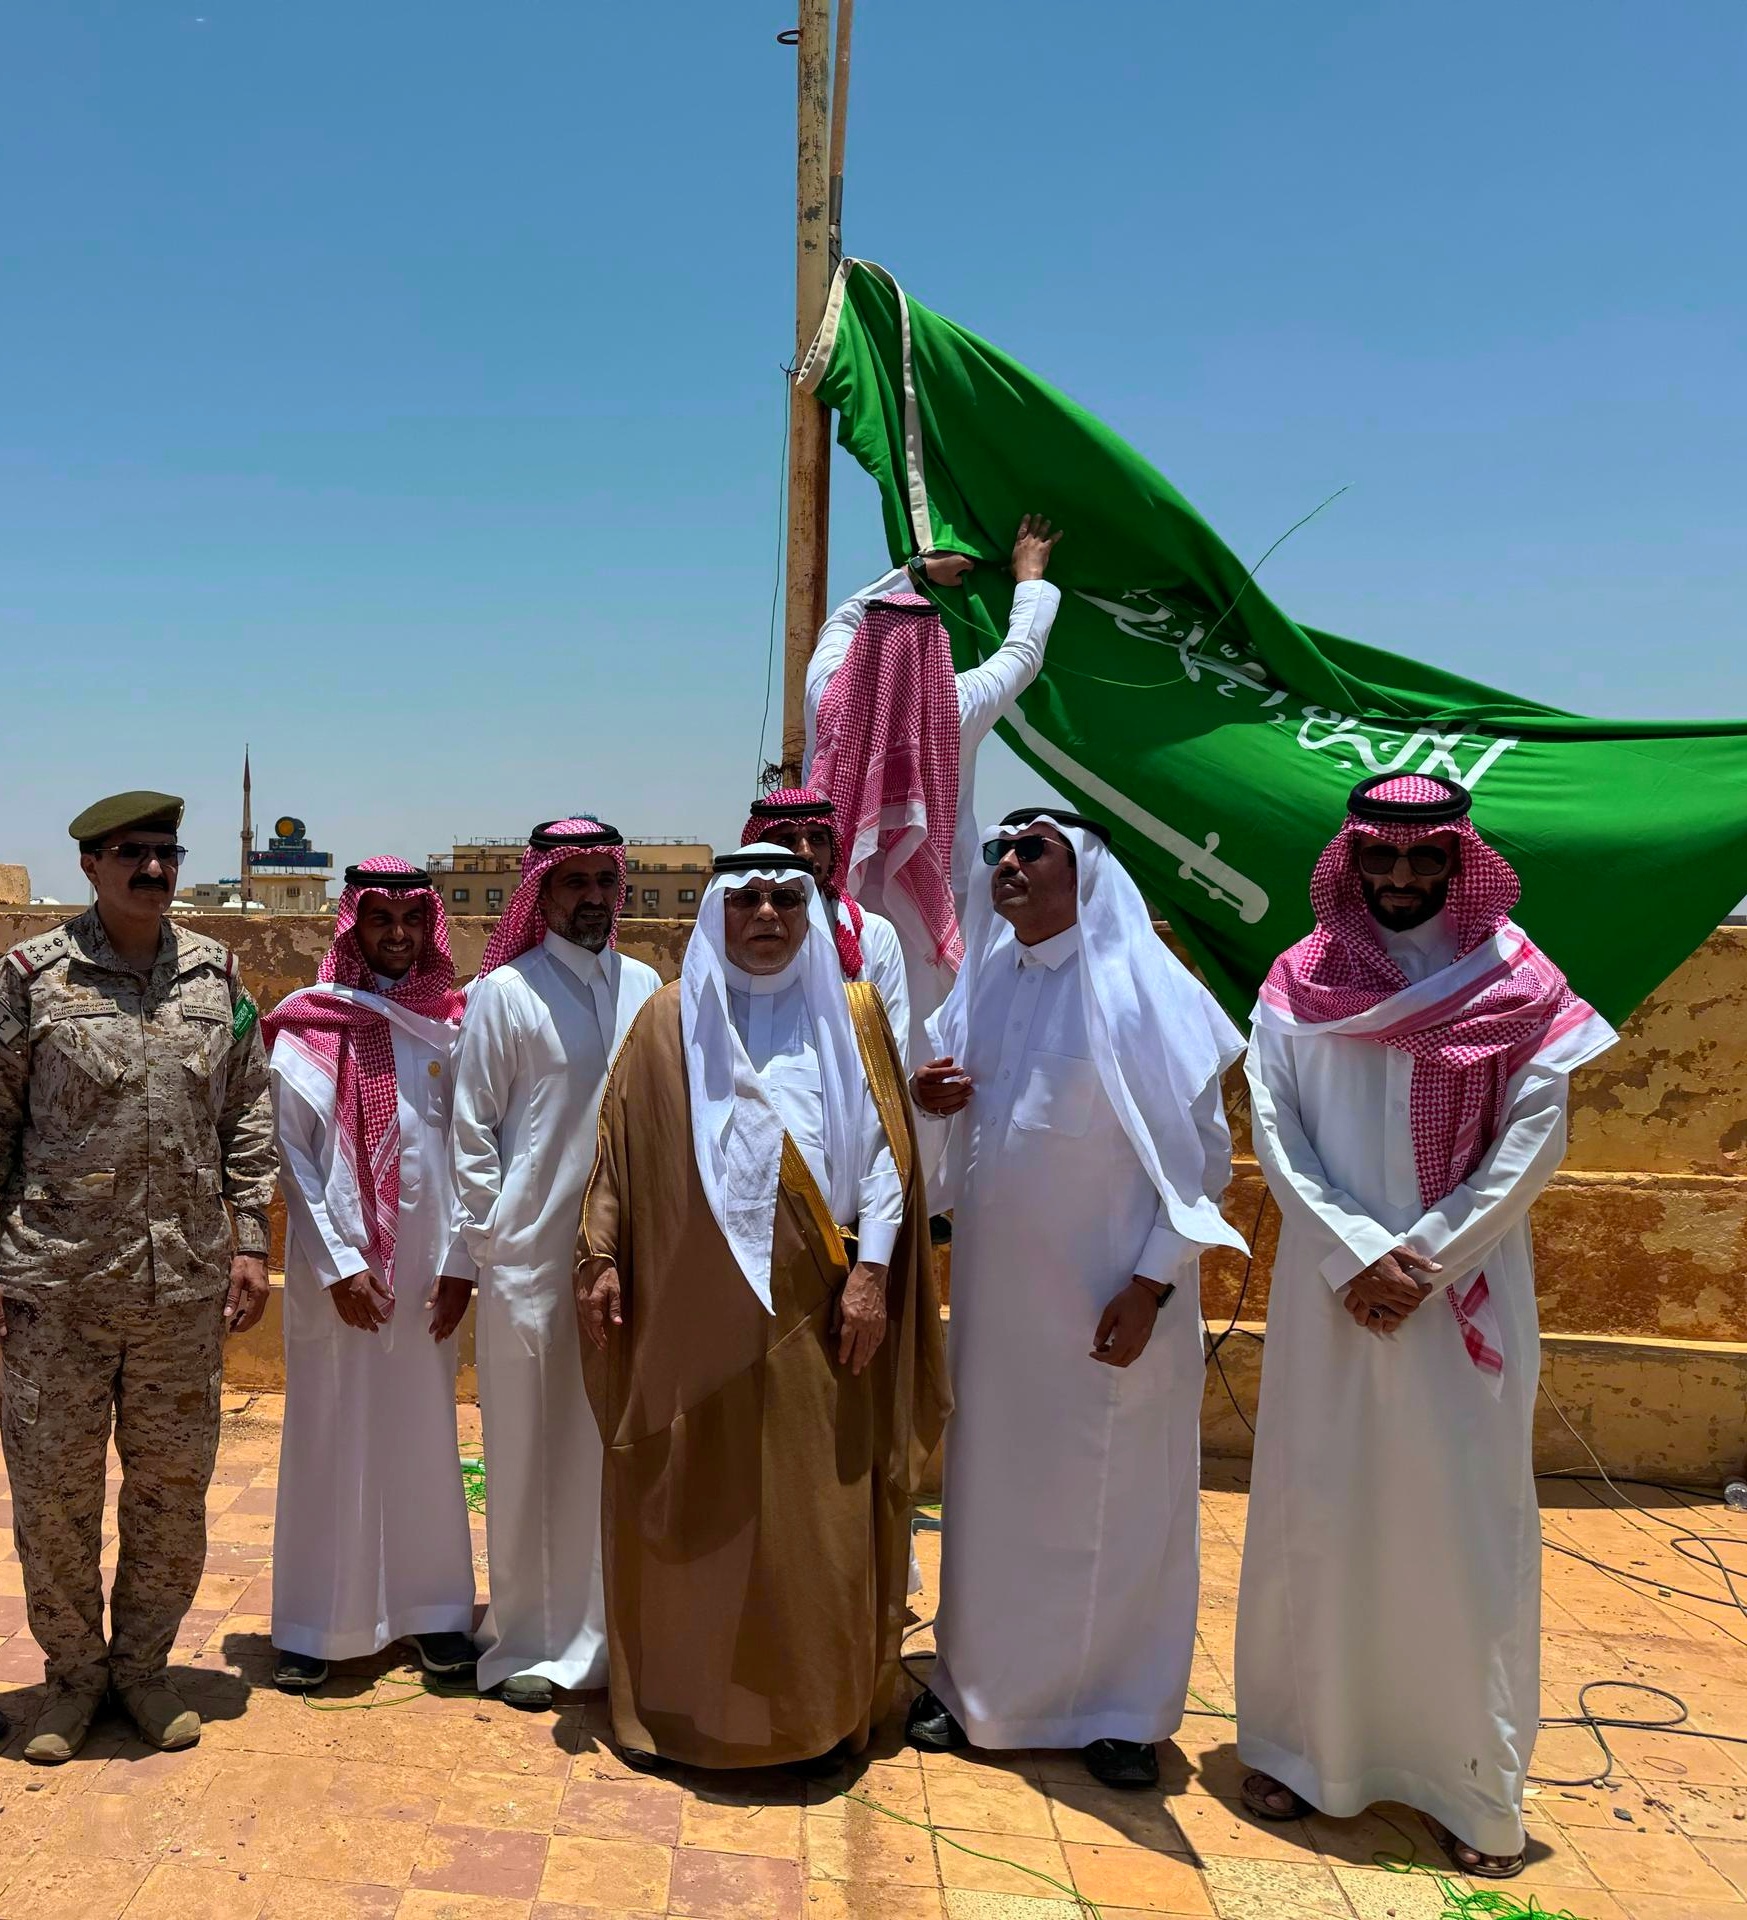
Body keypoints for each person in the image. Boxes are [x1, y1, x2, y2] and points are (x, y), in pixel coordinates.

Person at [1235, 773, 1617, 1879]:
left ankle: (1468, 1785)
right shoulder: (1297, 981)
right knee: (1318, 1512)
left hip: (1460, 1298)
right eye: (1380, 856)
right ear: (1350, 860)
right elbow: (1276, 1127)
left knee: (1461, 1531)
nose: (1399, 876)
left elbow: (1532, 1140)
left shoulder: (1518, 983)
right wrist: (1357, 1254)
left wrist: (1424, 1264)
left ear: (1459, 862)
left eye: (1424, 858)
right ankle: (1302, 1754)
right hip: (1330, 1298)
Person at [576, 846, 950, 1773]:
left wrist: (872, 1275)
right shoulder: (667, 1022)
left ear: (810, 911)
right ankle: (682, 1714)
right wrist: (601, 1257)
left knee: (814, 1524)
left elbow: (888, 1160)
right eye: (746, 900)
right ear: (718, 913)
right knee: (692, 1510)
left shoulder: (853, 1013)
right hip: (688, 1309)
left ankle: (814, 1721)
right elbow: (618, 1151)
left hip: (824, 1306)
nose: (768, 916)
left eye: (787, 898)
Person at [906, 810, 1248, 1787]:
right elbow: (948, 1122)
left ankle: (1117, 1711)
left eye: (1033, 850)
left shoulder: (1146, 994)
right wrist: (930, 1099)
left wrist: (1150, 1284)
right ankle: (977, 1687)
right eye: (999, 851)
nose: (1007, 864)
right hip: (998, 1311)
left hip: (1112, 1309)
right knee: (994, 1496)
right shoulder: (986, 980)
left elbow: (1203, 1163)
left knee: (1114, 1506)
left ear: (1086, 872)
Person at [0, 792, 275, 1763]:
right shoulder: (31, 978)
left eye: (166, 853)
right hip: (55, 1290)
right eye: (131, 853)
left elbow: (246, 1110)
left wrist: (250, 1240)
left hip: (180, 1291)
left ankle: (144, 1673)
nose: (153, 870)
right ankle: (74, 1682)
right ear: (90, 865)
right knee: (53, 1501)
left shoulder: (216, 974)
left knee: (171, 1496)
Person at [448, 820, 661, 1709]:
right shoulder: (505, 992)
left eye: (604, 881)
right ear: (542, 890)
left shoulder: (646, 987)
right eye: (573, 881)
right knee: (531, 1451)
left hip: (629, 1263)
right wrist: (495, 1247)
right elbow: (470, 1131)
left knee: (610, 1449)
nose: (592, 898)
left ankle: (612, 1632)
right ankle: (530, 1642)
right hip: (529, 1267)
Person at [263, 858, 479, 1694]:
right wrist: (341, 1265)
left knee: (425, 1435)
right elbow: (292, 1156)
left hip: (427, 1269)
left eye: (411, 920)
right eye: (379, 919)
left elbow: (471, 1148)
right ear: (353, 927)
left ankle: (434, 1615)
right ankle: (315, 1624)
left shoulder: (451, 1024)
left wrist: (459, 1263)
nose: (397, 935)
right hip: (337, 1271)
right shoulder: (312, 1020)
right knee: (329, 1434)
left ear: (429, 928)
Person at [804, 515, 1063, 1067]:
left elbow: (843, 618)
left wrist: (915, 572)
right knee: (925, 1057)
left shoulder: (826, 691)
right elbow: (1023, 652)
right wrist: (1030, 577)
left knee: (833, 1056)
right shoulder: (957, 705)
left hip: (828, 904)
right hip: (935, 914)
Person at [739, 788, 910, 1062]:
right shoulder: (737, 930)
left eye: (817, 839)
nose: (805, 853)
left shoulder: (873, 934)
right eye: (786, 840)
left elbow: (891, 1048)